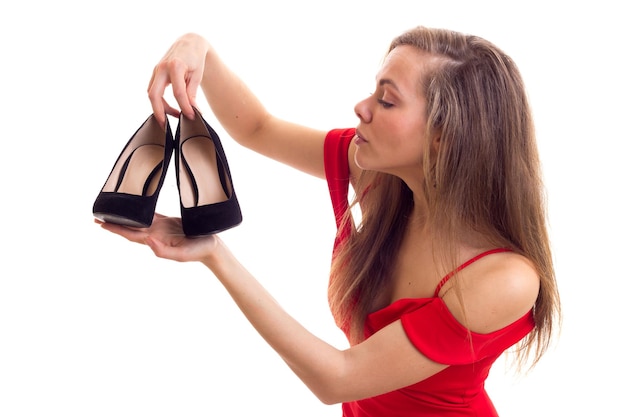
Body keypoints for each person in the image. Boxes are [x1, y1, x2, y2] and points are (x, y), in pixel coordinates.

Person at [96, 26, 561, 416]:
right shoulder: (375, 176)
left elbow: (339, 379)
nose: (362, 107)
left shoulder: (505, 279)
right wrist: (201, 50)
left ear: (442, 136)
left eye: (387, 100)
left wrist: (216, 256)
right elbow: (257, 127)